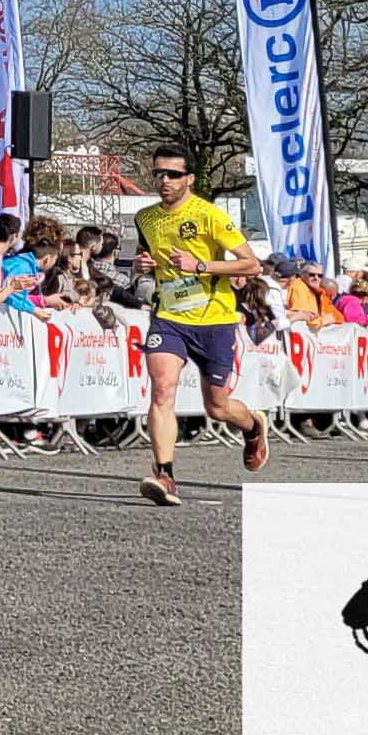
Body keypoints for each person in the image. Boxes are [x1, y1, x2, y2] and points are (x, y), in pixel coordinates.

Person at [132, 149, 269, 506]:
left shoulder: (209, 215)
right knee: (162, 390)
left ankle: (253, 426)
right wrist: (143, 264)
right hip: (169, 316)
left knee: (217, 406)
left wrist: (201, 265)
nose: (165, 180)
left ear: (189, 178)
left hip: (214, 318)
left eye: (173, 174)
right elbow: (148, 259)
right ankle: (165, 474)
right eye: (159, 173)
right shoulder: (145, 217)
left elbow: (251, 265)